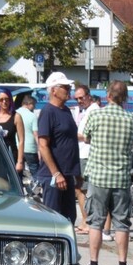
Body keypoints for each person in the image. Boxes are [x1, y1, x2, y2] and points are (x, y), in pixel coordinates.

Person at [80, 81, 133, 265]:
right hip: (121, 177)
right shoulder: (131, 119)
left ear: (108, 96)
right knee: (122, 223)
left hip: (98, 176)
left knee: (95, 222)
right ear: (126, 98)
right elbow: (132, 142)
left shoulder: (96, 115)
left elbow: (86, 138)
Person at [36, 72, 80, 224]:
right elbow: (43, 145)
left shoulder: (66, 111)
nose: (69, 89)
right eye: (65, 87)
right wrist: (56, 173)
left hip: (67, 175)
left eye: (69, 87)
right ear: (53, 90)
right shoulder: (48, 112)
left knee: (69, 219)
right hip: (53, 177)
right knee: (53, 220)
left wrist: (76, 173)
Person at [73, 85, 98, 235]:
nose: (79, 101)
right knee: (80, 189)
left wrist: (71, 135)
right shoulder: (87, 111)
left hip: (86, 154)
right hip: (82, 153)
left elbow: (89, 135)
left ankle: (87, 221)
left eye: (81, 98)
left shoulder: (93, 110)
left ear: (89, 96)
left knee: (83, 189)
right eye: (77, 99)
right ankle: (85, 220)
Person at [0, 88, 24, 175]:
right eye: (1, 100)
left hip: (10, 156)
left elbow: (21, 141)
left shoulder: (16, 116)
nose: (4, 102)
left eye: (7, 99)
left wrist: (20, 162)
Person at [17, 95, 39, 177]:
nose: (34, 107)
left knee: (18, 173)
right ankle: (37, 188)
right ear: (29, 103)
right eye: (34, 105)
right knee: (35, 171)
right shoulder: (32, 116)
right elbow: (36, 134)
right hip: (30, 148)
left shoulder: (16, 113)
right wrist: (40, 149)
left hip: (18, 148)